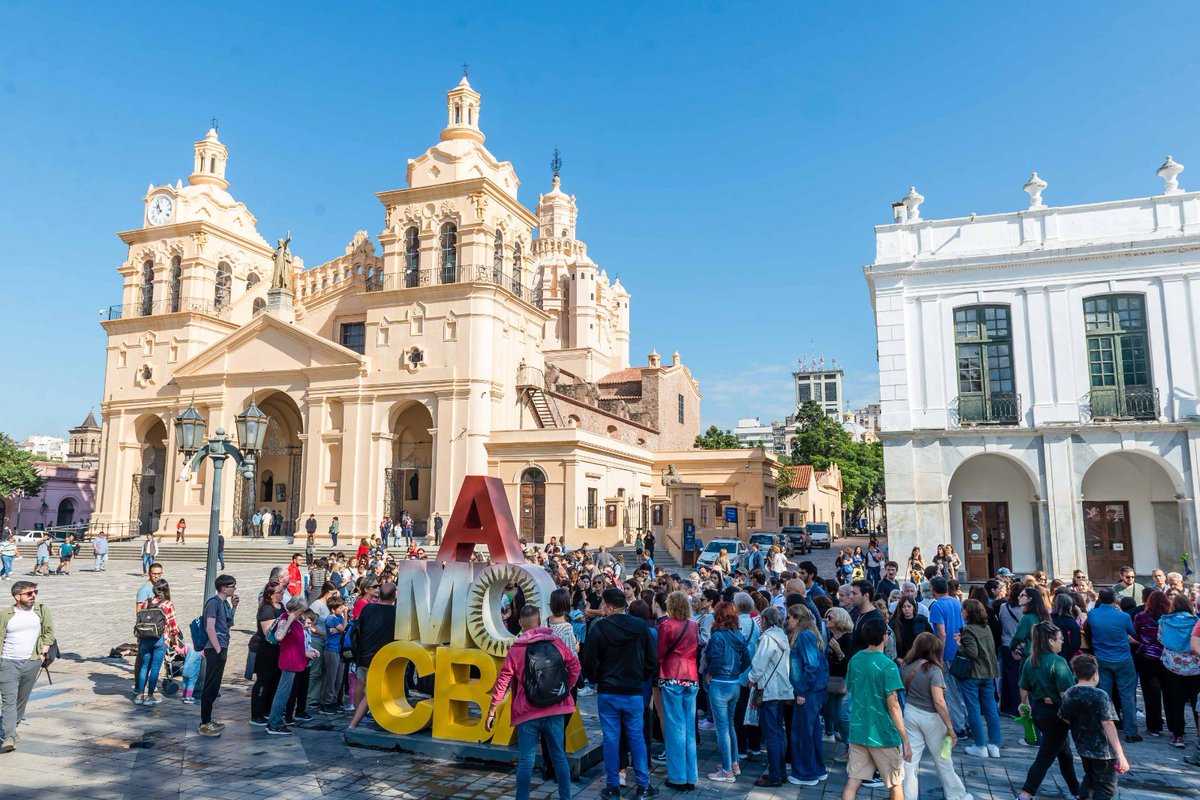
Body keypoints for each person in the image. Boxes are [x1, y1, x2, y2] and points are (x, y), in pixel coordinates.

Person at [487, 604, 580, 800]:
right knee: (559, 757)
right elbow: (575, 665)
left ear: (520, 624)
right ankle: (566, 798)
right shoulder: (556, 642)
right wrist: (565, 690)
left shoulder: (517, 649)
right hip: (556, 708)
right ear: (539, 621)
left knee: (526, 761)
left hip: (527, 712)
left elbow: (503, 681)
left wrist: (492, 710)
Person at [580, 587, 658, 799]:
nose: (602, 608)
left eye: (604, 604)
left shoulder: (600, 627)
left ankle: (613, 785)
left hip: (609, 691)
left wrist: (597, 680)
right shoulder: (641, 627)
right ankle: (643, 785)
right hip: (632, 691)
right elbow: (652, 660)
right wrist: (640, 678)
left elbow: (589, 662)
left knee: (612, 738)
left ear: (609, 606)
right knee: (637, 739)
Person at [842, 615, 911, 800]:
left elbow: (847, 687)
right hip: (883, 734)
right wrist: (905, 738)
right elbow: (894, 705)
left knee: (853, 781)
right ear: (885, 636)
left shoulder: (855, 659)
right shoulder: (888, 666)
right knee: (896, 784)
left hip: (858, 730)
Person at [900, 632, 973, 800]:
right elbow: (939, 702)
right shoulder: (933, 670)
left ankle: (907, 796)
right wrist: (950, 727)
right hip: (931, 717)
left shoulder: (905, 665)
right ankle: (956, 794)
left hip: (910, 712)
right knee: (943, 761)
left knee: (910, 761)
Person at [1016, 620, 1080, 799]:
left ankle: (1077, 792)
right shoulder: (1058, 662)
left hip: (1039, 712)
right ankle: (1025, 794)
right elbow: (1066, 694)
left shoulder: (1031, 660)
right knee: (1045, 757)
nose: (1063, 642)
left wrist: (1024, 704)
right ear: (1051, 641)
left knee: (1065, 754)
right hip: (1057, 716)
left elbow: (1023, 686)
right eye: (1060, 639)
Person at [1058, 654, 1130, 800]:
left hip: (1082, 747)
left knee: (1090, 780)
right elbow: (1108, 723)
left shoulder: (1070, 693)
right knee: (1106, 789)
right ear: (1095, 674)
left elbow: (1064, 717)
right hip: (1103, 752)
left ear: (1075, 673)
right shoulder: (1100, 695)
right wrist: (1120, 755)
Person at [0, 580, 54, 752]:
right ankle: (8, 737)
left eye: (35, 593)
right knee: (8, 701)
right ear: (17, 596)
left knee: (21, 699)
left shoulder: (41, 610)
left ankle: (11, 728)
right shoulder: (6, 614)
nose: (33, 596)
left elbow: (48, 632)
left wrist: (43, 654)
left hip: (32, 662)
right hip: (8, 662)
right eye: (29, 593)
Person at [1083, 587, 1140, 742]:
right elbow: (1133, 632)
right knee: (1127, 696)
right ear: (1115, 600)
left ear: (1099, 599)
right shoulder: (1123, 616)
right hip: (1122, 658)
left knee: (1104, 695)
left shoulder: (1092, 614)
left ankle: (1104, 727)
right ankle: (1131, 731)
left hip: (1102, 658)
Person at [702, 600, 749, 783]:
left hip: (720, 683)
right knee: (730, 725)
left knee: (722, 729)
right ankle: (733, 763)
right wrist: (738, 670)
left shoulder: (717, 636)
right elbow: (747, 658)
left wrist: (709, 675)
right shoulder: (738, 634)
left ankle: (727, 770)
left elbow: (716, 659)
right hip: (734, 683)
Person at [657, 590, 698, 791]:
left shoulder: (666, 625)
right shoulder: (694, 625)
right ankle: (691, 775)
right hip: (690, 675)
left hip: (672, 674)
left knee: (675, 727)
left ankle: (678, 776)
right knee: (689, 726)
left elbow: (661, 653)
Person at [748, 606, 791, 787]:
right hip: (781, 689)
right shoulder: (782, 635)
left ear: (765, 619)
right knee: (778, 733)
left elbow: (759, 664)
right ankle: (779, 772)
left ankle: (775, 775)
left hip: (769, 689)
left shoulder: (767, 638)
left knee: (772, 734)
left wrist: (751, 679)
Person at [788, 603, 828, 786]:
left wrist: (802, 690)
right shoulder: (811, 635)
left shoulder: (804, 636)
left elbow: (811, 665)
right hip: (814, 691)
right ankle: (816, 769)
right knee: (811, 732)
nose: (787, 620)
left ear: (797, 618)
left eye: (790, 617)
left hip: (808, 692)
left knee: (803, 732)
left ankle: (806, 773)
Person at [347, 582, 398, 729]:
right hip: (378, 657)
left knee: (360, 684)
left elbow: (360, 626)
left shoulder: (368, 608)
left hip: (362, 653)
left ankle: (358, 714)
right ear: (394, 596)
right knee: (371, 690)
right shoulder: (395, 612)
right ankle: (354, 723)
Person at [957, 598, 1002, 757]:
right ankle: (995, 744)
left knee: (973, 709)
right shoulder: (987, 628)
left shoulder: (968, 630)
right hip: (988, 672)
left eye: (963, 609)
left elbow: (971, 653)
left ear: (969, 612)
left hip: (973, 673)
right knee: (990, 708)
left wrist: (959, 645)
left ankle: (980, 745)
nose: (962, 611)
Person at [1158, 593, 1200, 749]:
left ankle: (1178, 735)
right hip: (1195, 667)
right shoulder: (1196, 621)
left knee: (1175, 701)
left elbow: (1161, 639)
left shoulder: (1164, 622)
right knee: (1197, 702)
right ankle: (1199, 734)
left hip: (1173, 666)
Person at [133, 579, 181, 705]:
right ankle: (149, 696)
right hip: (160, 638)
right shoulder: (167, 604)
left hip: (144, 638)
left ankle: (139, 695)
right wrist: (174, 640)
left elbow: (139, 619)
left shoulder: (145, 602)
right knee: (155, 668)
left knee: (144, 666)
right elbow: (173, 625)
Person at [265, 596, 309, 734]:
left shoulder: (296, 621)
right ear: (295, 610)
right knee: (283, 693)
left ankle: (275, 721)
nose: (302, 614)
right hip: (289, 662)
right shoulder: (286, 619)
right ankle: (274, 723)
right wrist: (289, 620)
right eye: (301, 611)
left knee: (285, 692)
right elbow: (279, 637)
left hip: (295, 661)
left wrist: (308, 651)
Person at [1132, 589, 1169, 737]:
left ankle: (1154, 726)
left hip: (1147, 657)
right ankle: (1175, 725)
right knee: (1169, 692)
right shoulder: (1169, 618)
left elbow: (1135, 634)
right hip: (1167, 658)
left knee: (1150, 693)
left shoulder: (1141, 616)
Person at [250, 581, 285, 726]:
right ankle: (256, 714)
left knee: (275, 680)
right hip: (265, 649)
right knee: (264, 680)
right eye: (279, 592)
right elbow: (269, 634)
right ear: (271, 595)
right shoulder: (266, 610)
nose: (282, 594)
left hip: (278, 650)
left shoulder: (280, 606)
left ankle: (267, 710)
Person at [889, 595, 931, 660]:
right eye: (904, 607)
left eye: (909, 606)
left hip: (920, 659)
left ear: (913, 607)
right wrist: (897, 658)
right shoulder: (894, 624)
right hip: (901, 659)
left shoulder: (922, 621)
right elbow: (890, 644)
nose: (907, 609)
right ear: (900, 608)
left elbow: (931, 639)